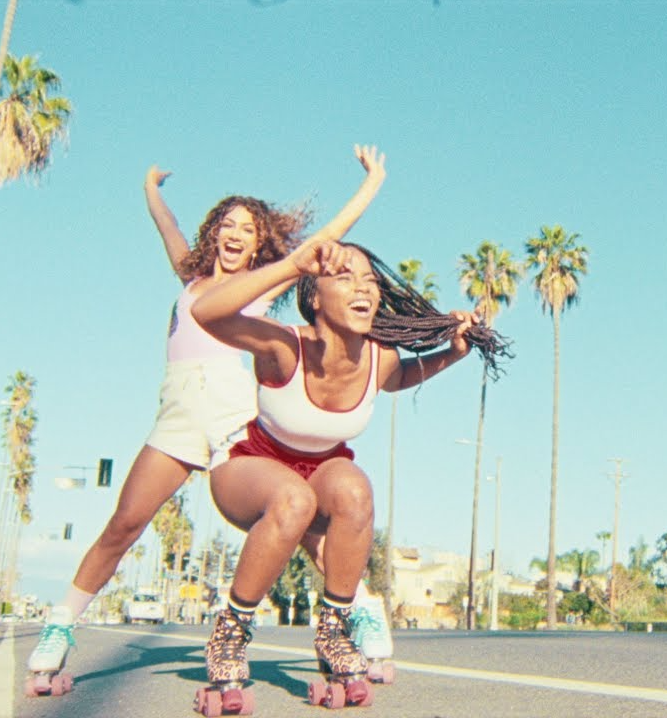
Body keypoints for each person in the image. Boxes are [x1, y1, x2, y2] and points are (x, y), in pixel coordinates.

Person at [24, 146, 387, 695]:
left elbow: (325, 241)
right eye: (227, 224)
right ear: (214, 232)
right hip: (177, 411)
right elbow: (167, 229)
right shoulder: (188, 276)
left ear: (261, 241)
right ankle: (59, 624)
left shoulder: (265, 281)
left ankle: (357, 607)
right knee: (125, 523)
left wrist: (371, 184)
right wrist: (151, 190)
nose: (235, 233)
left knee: (301, 518)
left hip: (232, 411)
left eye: (247, 227)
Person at [188, 238, 506, 710]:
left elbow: (398, 379)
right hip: (248, 469)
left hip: (318, 477)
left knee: (356, 490)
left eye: (371, 281)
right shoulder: (282, 345)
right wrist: (292, 265)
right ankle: (230, 635)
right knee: (292, 499)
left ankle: (334, 630)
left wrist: (453, 354)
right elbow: (208, 314)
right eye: (346, 277)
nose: (365, 288)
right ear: (314, 296)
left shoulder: (382, 358)